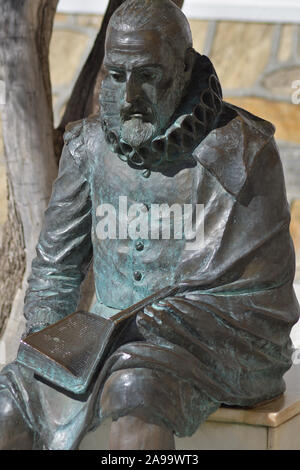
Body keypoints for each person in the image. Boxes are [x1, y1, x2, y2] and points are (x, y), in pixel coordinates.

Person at [0, 0, 299, 450]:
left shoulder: (241, 150)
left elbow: (261, 297)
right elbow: (54, 271)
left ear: (184, 69)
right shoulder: (87, 148)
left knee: (135, 387)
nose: (129, 96)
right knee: (8, 403)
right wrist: (52, 345)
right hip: (100, 346)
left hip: (207, 344)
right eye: (117, 75)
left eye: (148, 76)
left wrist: (160, 324)